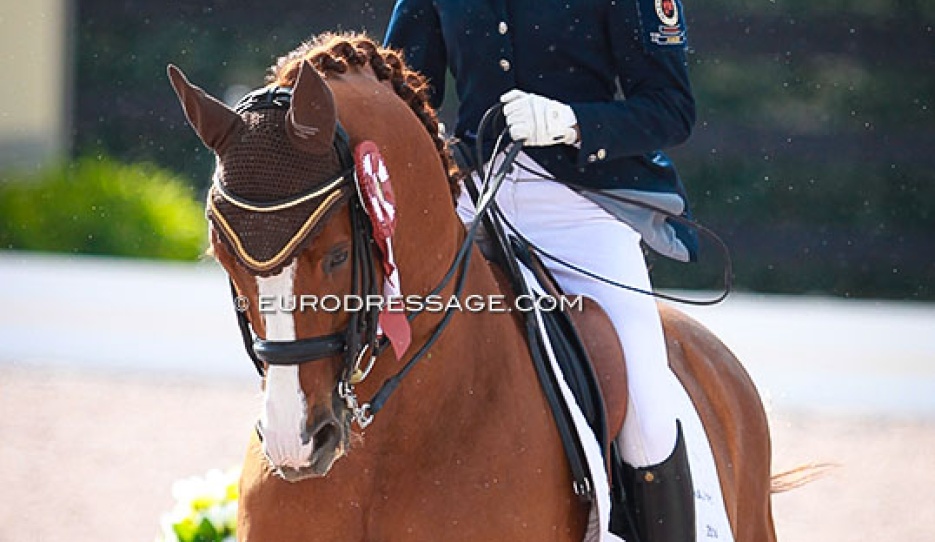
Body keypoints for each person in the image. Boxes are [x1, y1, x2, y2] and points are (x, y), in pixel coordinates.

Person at [384, 1, 733, 541]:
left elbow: (671, 108)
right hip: (473, 202)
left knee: (645, 414)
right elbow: (402, 94)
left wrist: (572, 122)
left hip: (583, 210)